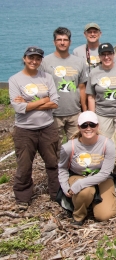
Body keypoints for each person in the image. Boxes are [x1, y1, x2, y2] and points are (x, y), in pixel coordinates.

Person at [9, 46, 60, 211]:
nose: (34, 61)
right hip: (24, 130)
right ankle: (23, 197)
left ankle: (57, 193)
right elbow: (18, 108)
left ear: (41, 61)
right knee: (24, 165)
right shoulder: (15, 80)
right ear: (24, 58)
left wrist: (28, 103)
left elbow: (55, 103)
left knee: (53, 162)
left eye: (37, 59)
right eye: (31, 58)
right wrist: (42, 101)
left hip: (47, 127)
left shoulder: (47, 77)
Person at [58, 111, 116, 225]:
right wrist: (65, 187)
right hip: (78, 175)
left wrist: (80, 184)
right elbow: (62, 168)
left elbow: (105, 173)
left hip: (102, 177)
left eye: (92, 125)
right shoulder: (68, 147)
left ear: (98, 126)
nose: (88, 128)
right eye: (84, 125)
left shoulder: (107, 144)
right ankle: (78, 215)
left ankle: (93, 202)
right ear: (79, 127)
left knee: (104, 215)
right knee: (86, 191)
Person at [40, 27, 88, 151]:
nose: (62, 42)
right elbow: (41, 88)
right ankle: (57, 170)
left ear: (70, 42)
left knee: (77, 146)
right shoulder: (45, 62)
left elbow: (82, 87)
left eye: (65, 40)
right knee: (54, 148)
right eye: (59, 39)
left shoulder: (79, 62)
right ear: (54, 42)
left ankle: (74, 170)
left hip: (74, 113)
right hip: (53, 114)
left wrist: (85, 110)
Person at [86, 43, 116, 138]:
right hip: (102, 115)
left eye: (109, 54)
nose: (106, 57)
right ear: (99, 56)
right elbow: (91, 97)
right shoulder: (94, 73)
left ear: (114, 54)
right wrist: (92, 117)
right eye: (103, 54)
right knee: (105, 141)